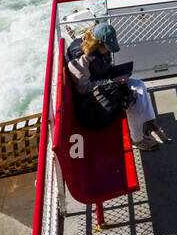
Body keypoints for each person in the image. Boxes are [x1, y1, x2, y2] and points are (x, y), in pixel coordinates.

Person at [66, 21, 171, 152]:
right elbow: (83, 88)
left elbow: (103, 69)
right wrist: (111, 81)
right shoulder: (80, 59)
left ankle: (151, 125)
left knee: (138, 85)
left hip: (105, 85)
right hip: (91, 104)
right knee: (131, 97)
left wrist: (116, 74)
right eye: (108, 47)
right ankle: (137, 140)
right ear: (98, 43)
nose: (109, 51)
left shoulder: (99, 49)